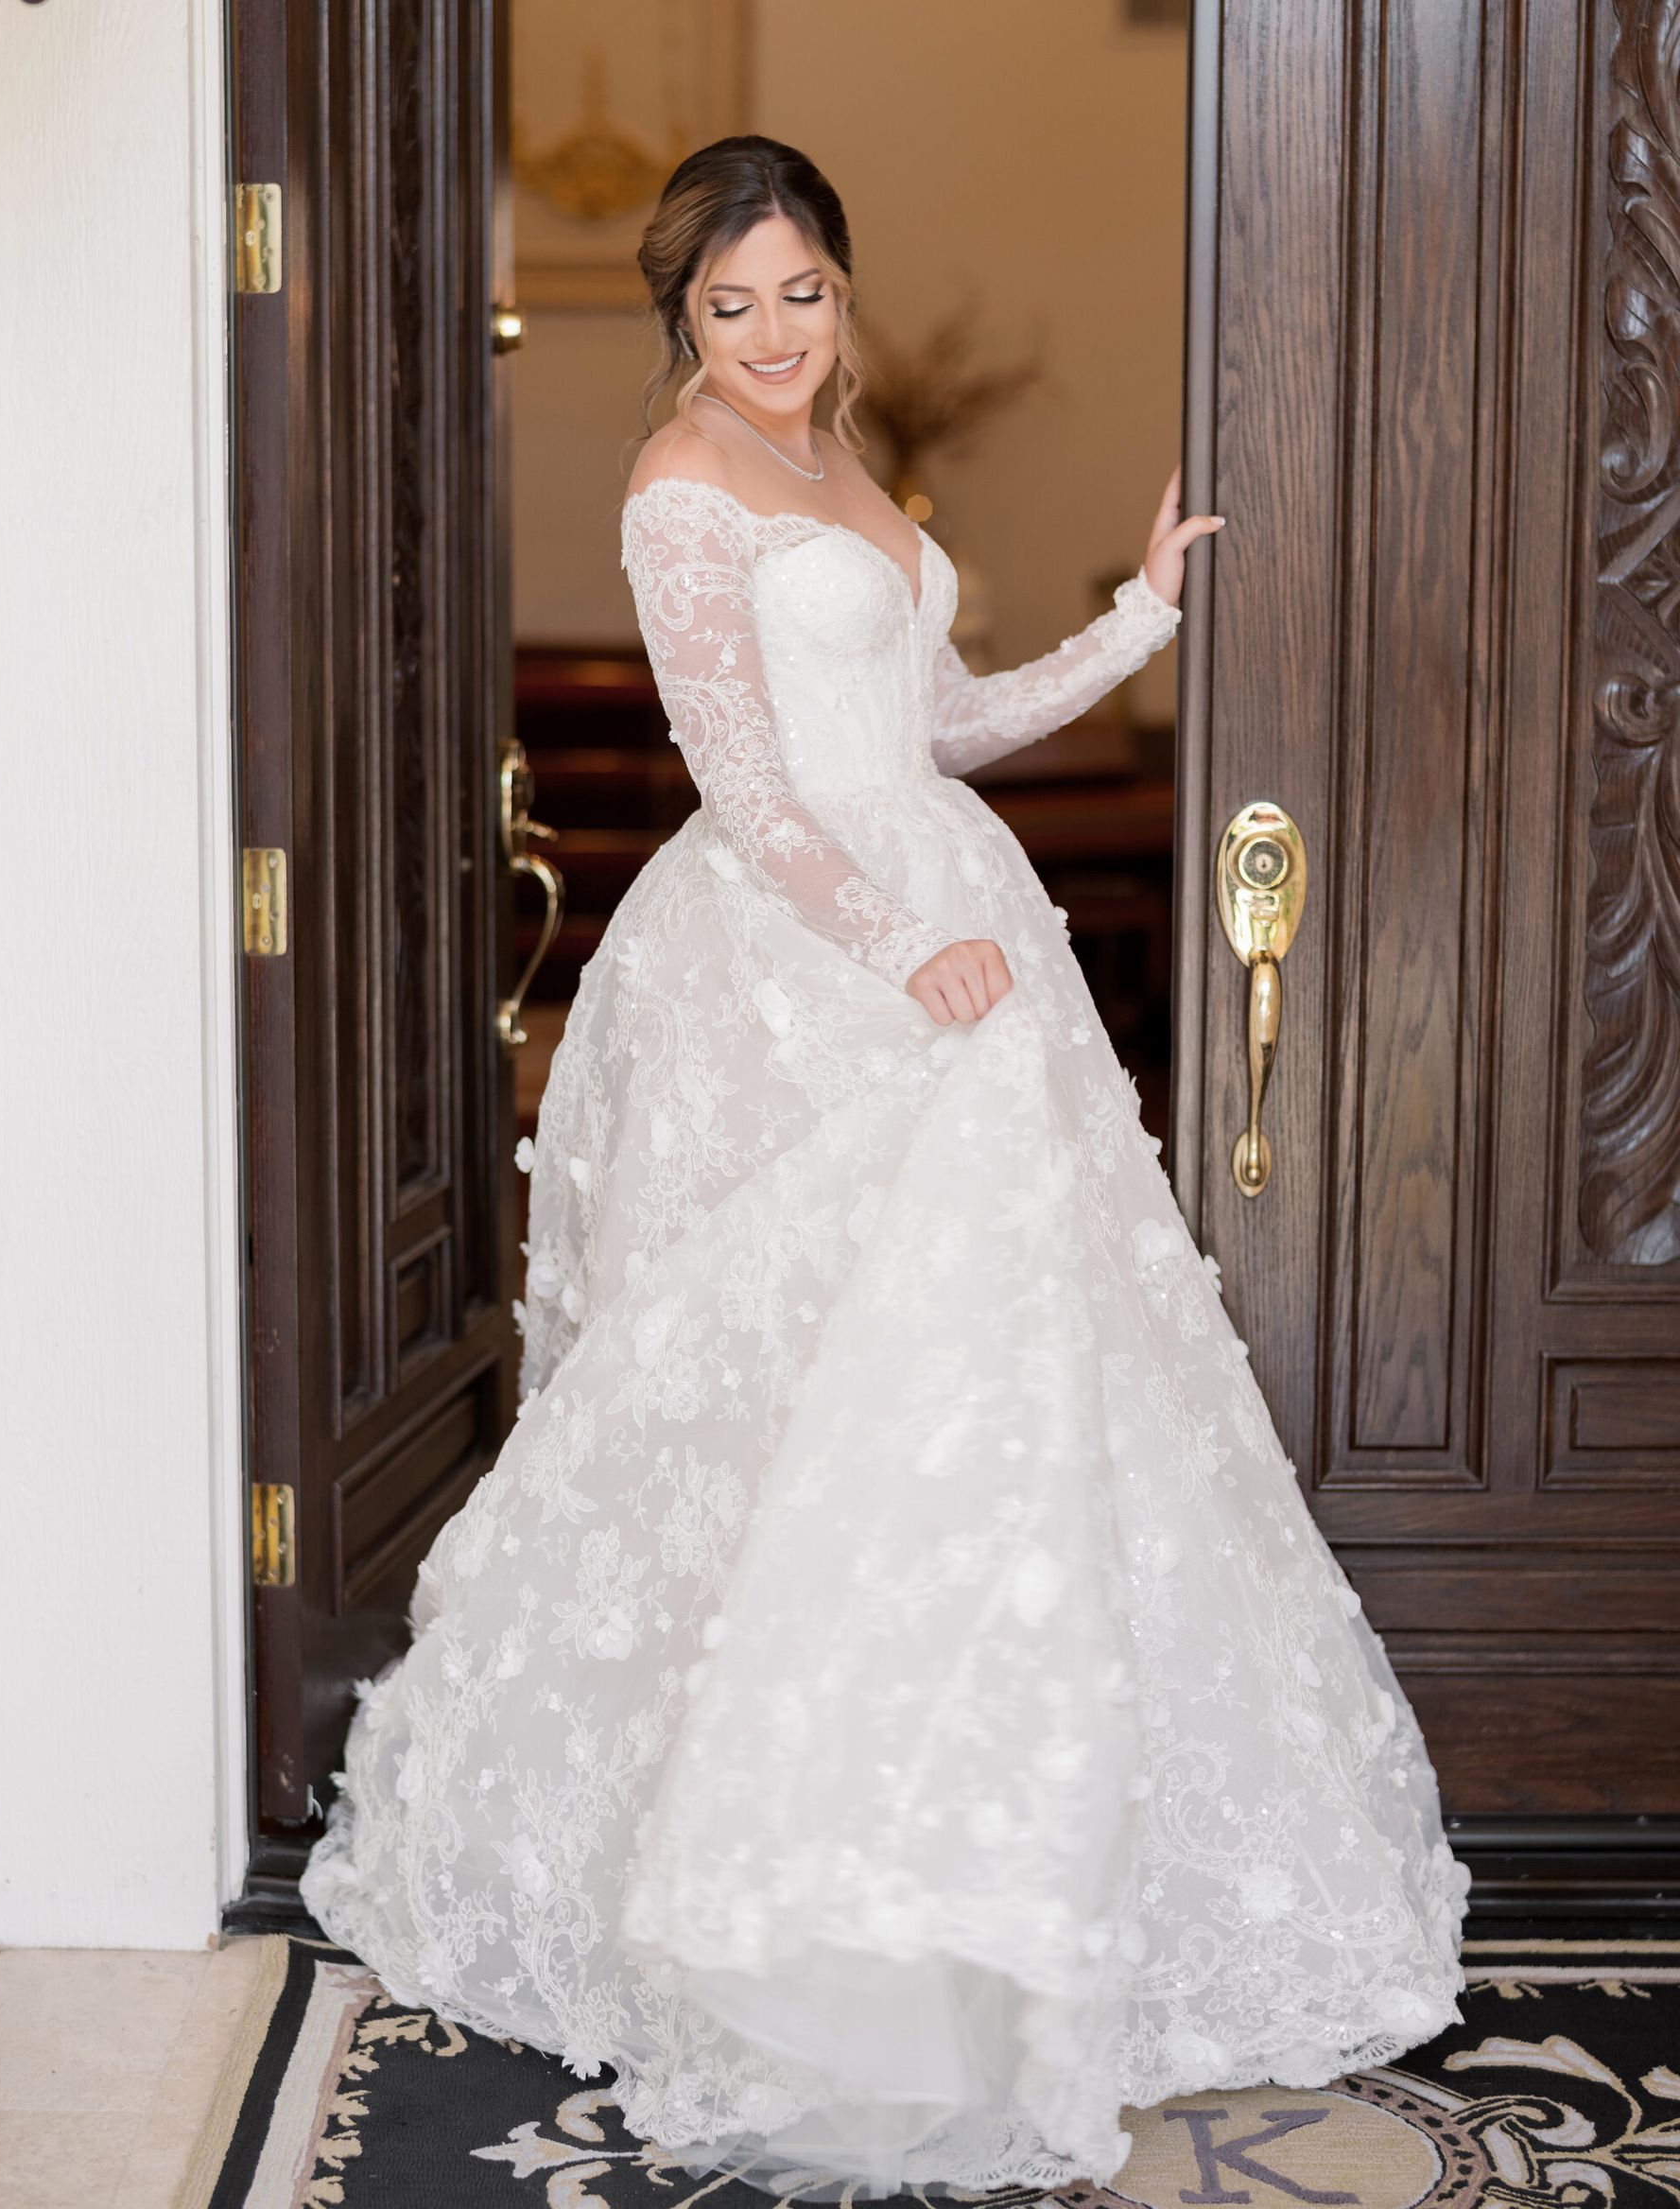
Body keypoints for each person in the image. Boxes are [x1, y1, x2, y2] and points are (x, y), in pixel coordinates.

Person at [301, 133, 1468, 2200]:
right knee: (791, 1403)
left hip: (951, 936)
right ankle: (781, 1889)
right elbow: (750, 791)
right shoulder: (681, 487)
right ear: (687, 316)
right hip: (800, 970)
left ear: (846, 292)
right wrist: (894, 941)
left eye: (801, 296)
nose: (768, 337)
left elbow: (942, 720)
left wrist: (1139, 620)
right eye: (730, 305)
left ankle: (1001, 1857)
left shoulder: (850, 476)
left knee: (992, 1402)